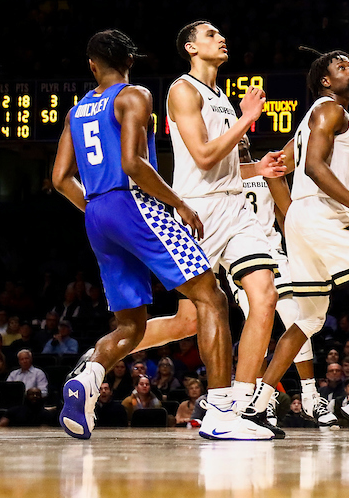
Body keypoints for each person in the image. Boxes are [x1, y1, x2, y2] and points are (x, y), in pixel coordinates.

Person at [50, 29, 270, 442]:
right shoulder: (134, 95)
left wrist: (99, 212)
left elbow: (60, 178)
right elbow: (133, 163)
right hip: (134, 204)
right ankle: (221, 413)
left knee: (131, 326)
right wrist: (177, 203)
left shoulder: (76, 111)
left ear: (92, 66)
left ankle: (89, 374)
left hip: (95, 212)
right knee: (212, 298)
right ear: (130, 61)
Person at [121, 20, 287, 437]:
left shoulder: (222, 98)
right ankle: (101, 356)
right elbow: (204, 157)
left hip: (236, 208)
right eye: (211, 35)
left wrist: (257, 168)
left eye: (220, 34)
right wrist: (248, 118)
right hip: (199, 211)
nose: (221, 38)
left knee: (265, 295)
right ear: (191, 48)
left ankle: (237, 405)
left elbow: (225, 168)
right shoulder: (183, 90)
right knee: (186, 323)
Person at [254, 51, 349, 439]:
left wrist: (293, 214)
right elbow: (313, 167)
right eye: (342, 68)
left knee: (308, 319)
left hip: (304, 217)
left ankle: (255, 406)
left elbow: (274, 166)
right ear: (324, 81)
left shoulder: (312, 119)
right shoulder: (331, 111)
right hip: (323, 214)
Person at [237, 140, 335, 426]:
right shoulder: (222, 175)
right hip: (241, 257)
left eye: (245, 137)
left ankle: (310, 396)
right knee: (258, 328)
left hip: (274, 254)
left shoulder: (265, 170)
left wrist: (300, 252)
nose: (241, 140)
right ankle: (261, 400)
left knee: (296, 317)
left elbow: (285, 214)